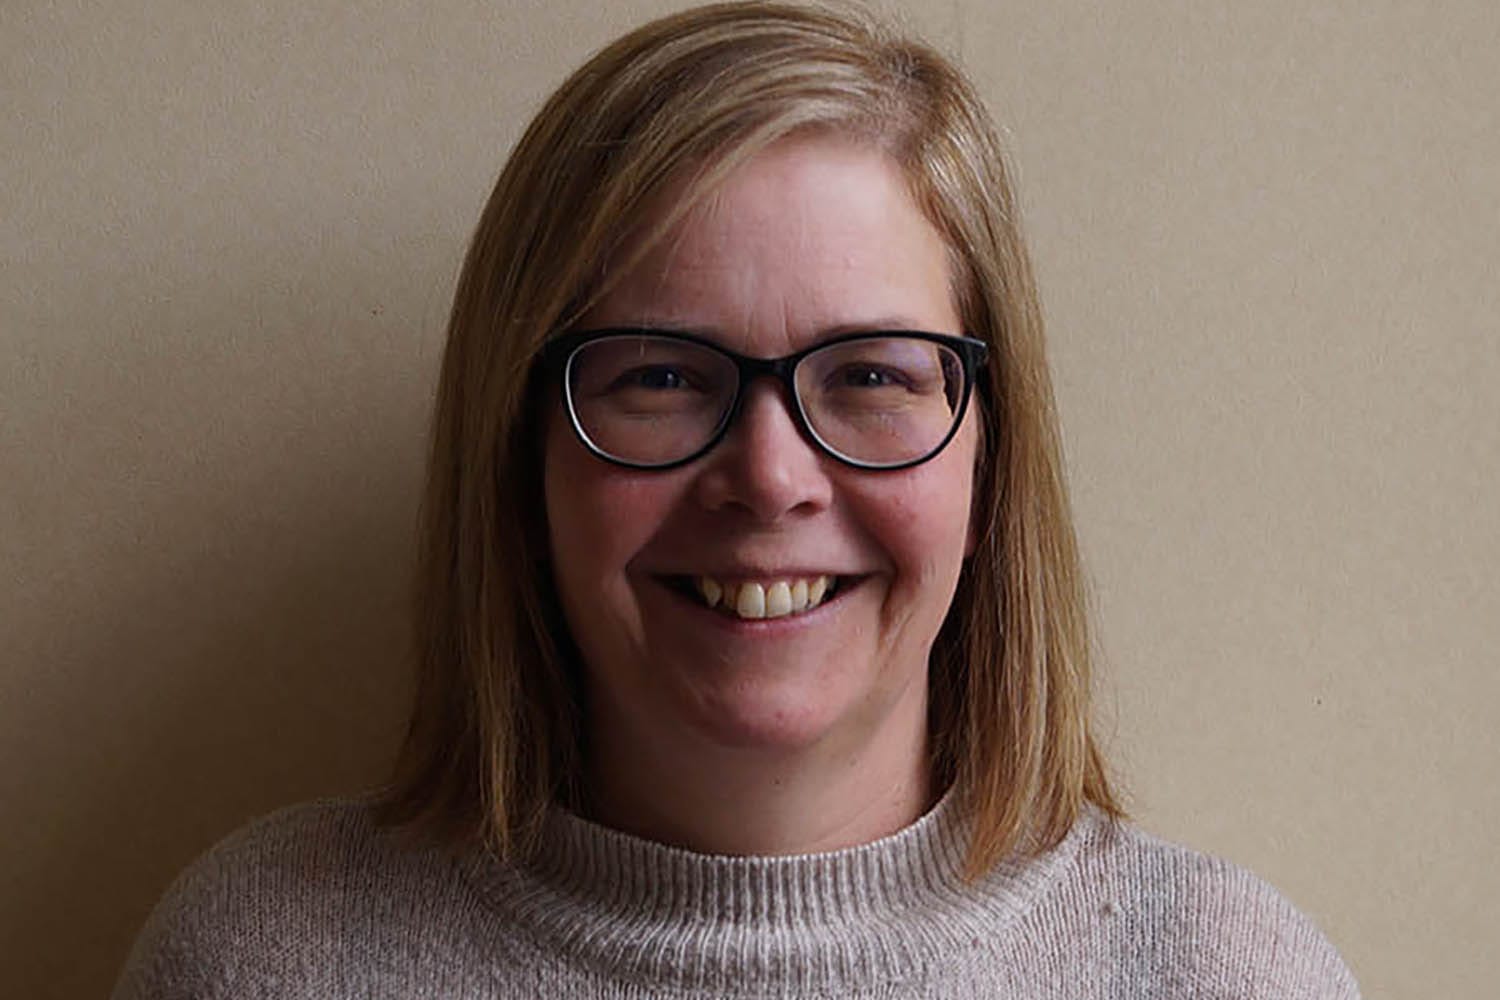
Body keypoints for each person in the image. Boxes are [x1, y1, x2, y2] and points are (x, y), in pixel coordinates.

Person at [113, 2, 1360, 997]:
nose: (770, 476)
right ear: (520, 455)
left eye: (871, 373)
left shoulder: (1221, 974)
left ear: (993, 462)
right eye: (660, 374)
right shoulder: (267, 958)